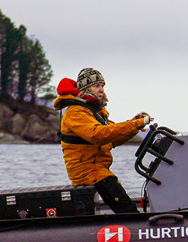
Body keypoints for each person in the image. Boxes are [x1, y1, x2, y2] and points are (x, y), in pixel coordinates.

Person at [54, 68, 152, 213]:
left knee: (117, 192)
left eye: (102, 86)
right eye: (96, 86)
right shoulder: (75, 112)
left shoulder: (93, 110)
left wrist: (134, 124)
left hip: (98, 168)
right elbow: (98, 135)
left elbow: (111, 138)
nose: (101, 90)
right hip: (86, 171)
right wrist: (136, 124)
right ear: (86, 88)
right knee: (125, 207)